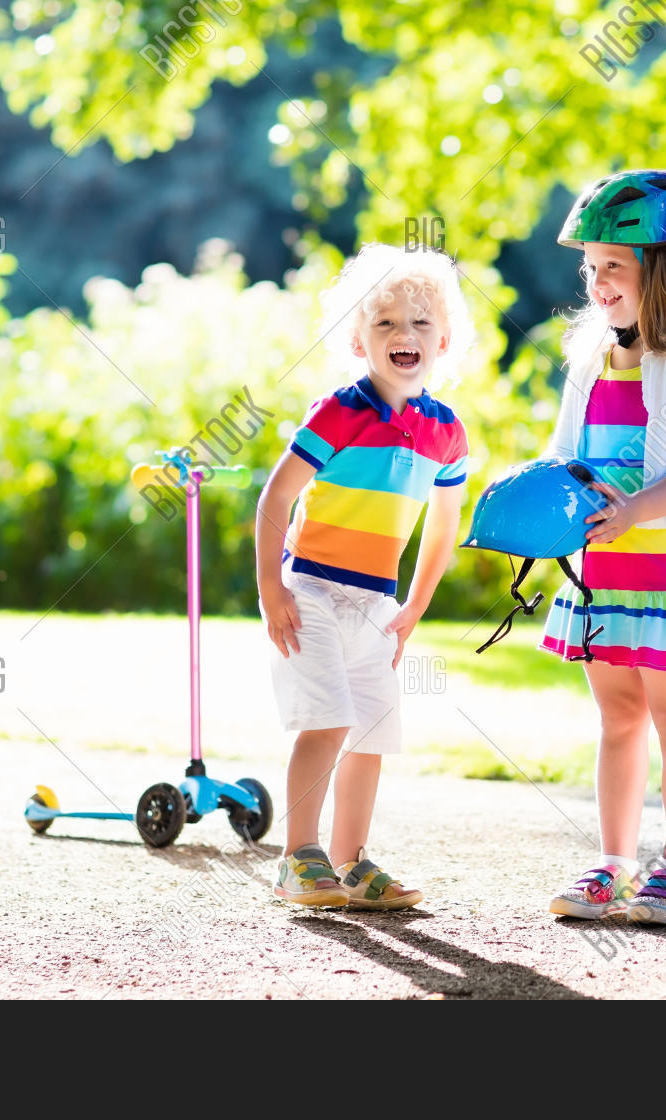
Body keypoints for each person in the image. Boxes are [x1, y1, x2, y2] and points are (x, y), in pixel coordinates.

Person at [540, 169, 666, 926]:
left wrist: (631, 513)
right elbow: (565, 454)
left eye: (613, 266)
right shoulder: (588, 362)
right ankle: (614, 863)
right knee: (617, 719)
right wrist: (541, 505)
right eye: (590, 268)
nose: (596, 282)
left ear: (664, 270)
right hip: (602, 577)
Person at [254, 244, 471, 910]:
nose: (403, 335)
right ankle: (299, 858)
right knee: (325, 722)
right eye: (385, 324)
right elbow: (275, 499)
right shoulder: (338, 412)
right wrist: (271, 588)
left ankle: (351, 863)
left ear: (444, 339)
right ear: (358, 338)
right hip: (310, 591)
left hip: (377, 602)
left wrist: (415, 606)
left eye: (419, 323)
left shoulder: (446, 432)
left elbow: (442, 529)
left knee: (372, 731)